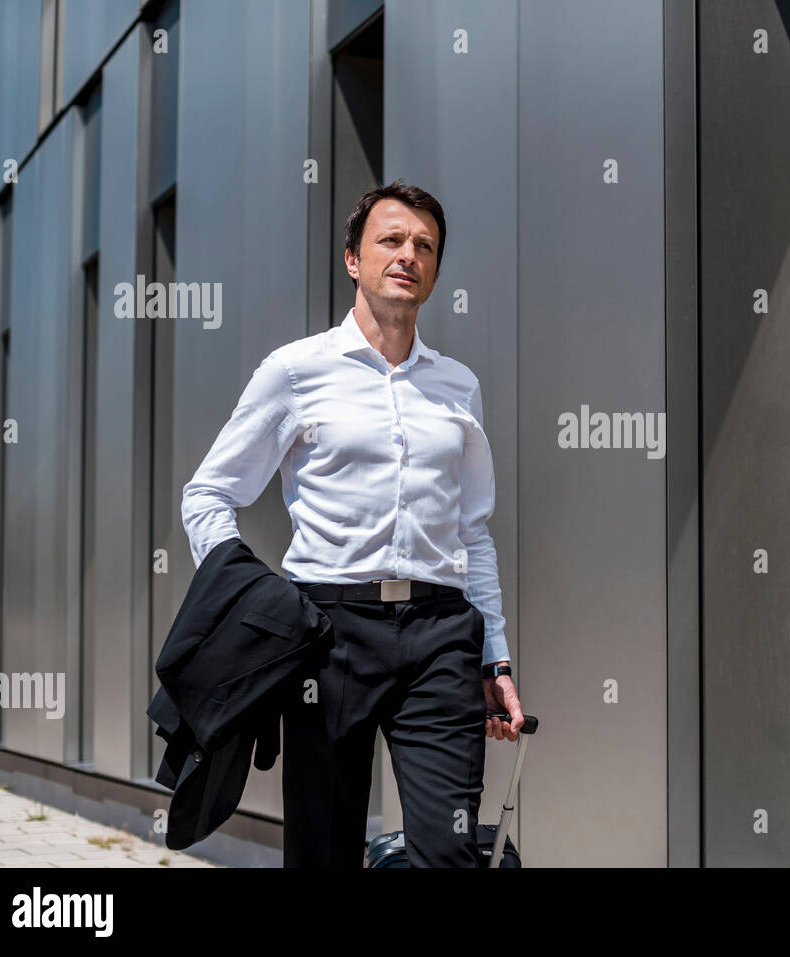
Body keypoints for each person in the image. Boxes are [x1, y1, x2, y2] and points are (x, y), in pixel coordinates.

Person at [179, 178, 523, 867]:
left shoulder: (457, 385)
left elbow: (472, 531)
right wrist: (254, 603)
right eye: (390, 240)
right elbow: (209, 493)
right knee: (324, 849)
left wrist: (496, 653)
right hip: (329, 636)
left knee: (450, 852)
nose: (408, 254)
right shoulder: (296, 371)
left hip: (441, 636)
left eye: (424, 245)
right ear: (352, 260)